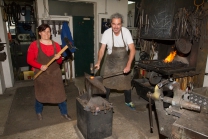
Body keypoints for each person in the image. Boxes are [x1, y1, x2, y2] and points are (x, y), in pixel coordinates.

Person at [27, 23, 71, 120]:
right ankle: (38, 112)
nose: (46, 34)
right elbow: (29, 60)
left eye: (48, 31)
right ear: (39, 33)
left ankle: (64, 113)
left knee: (60, 94)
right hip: (41, 74)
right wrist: (40, 66)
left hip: (55, 74)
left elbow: (59, 62)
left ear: (50, 33)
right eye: (44, 31)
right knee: (41, 94)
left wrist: (59, 58)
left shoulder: (56, 45)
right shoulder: (34, 45)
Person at [95, 13, 136, 110]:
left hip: (123, 61)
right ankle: (105, 102)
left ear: (121, 24)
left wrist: (128, 65)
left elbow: (133, 50)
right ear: (111, 24)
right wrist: (98, 62)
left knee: (126, 83)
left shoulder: (126, 32)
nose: (116, 27)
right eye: (114, 24)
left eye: (118, 24)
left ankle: (128, 101)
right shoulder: (107, 33)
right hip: (111, 62)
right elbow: (102, 50)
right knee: (107, 82)